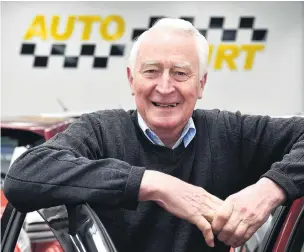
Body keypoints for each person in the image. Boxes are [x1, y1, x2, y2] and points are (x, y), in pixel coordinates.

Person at [4, 17, 304, 252]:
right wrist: (155, 184)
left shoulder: (231, 134)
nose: (164, 86)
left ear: (201, 84)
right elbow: (23, 177)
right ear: (131, 79)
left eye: (180, 73)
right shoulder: (99, 132)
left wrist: (269, 190)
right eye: (151, 71)